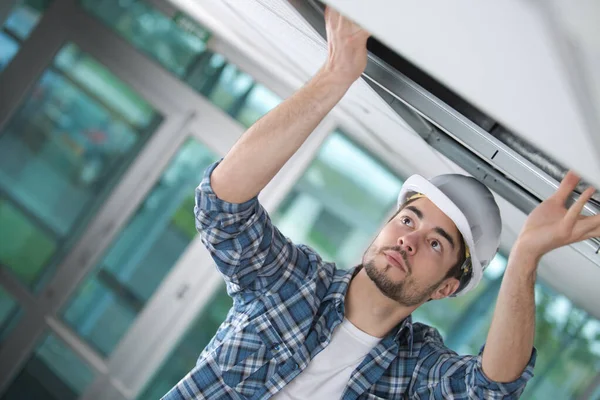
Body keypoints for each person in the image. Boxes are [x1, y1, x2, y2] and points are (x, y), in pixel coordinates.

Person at [164, 7, 600, 400]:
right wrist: (335, 75)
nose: (410, 238)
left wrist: (525, 255)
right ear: (384, 227)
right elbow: (222, 209)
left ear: (448, 287)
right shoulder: (292, 285)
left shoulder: (414, 373)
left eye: (436, 244)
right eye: (410, 218)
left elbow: (492, 390)